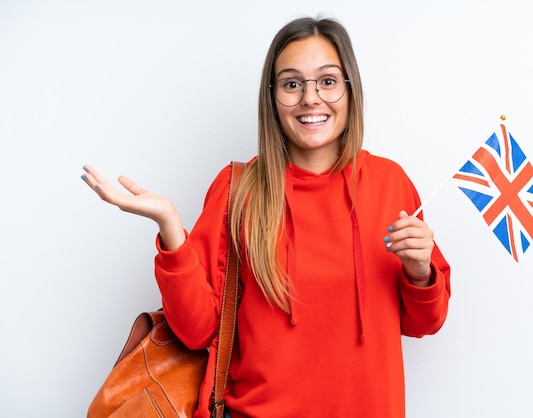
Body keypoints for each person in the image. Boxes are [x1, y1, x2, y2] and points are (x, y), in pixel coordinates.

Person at [81, 16, 451, 418]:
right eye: (292, 84)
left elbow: (423, 323)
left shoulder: (390, 184)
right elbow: (197, 331)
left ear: (350, 90)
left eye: (327, 81)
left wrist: (420, 273)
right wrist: (171, 228)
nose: (310, 98)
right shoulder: (238, 189)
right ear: (272, 98)